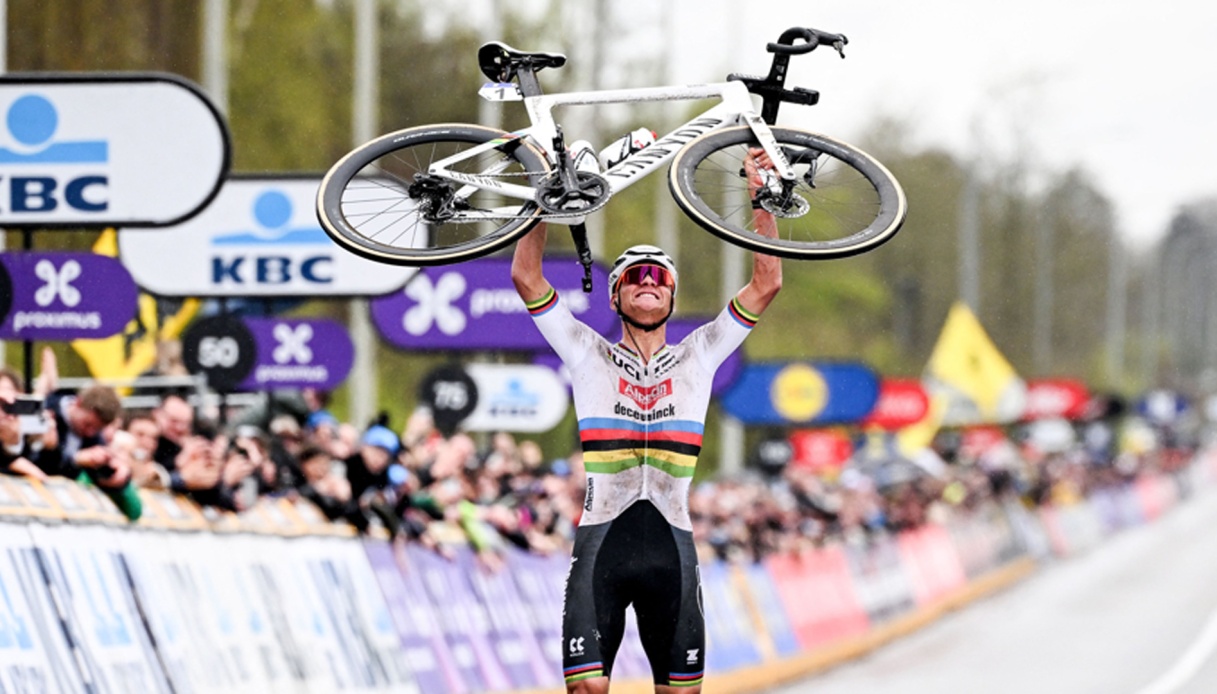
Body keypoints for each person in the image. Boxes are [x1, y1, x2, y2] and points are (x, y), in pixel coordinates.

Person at [511, 149, 781, 693]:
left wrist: (761, 194)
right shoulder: (587, 353)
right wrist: (545, 195)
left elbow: (767, 282)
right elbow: (525, 274)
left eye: (659, 275)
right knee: (587, 689)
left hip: (671, 549)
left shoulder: (699, 353)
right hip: (601, 546)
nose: (648, 281)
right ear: (617, 294)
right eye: (635, 275)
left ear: (673, 292)